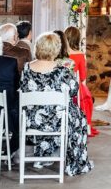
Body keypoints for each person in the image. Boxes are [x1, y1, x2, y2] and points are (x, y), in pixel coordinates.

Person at [20, 32, 94, 176]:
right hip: (58, 121)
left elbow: (23, 88)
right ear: (56, 49)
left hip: (33, 121)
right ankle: (74, 162)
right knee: (79, 117)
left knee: (47, 110)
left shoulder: (27, 68)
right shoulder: (63, 71)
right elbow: (73, 91)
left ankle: (43, 155)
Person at [64, 25, 98, 137]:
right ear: (77, 39)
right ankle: (84, 125)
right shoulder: (79, 55)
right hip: (75, 90)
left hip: (62, 88)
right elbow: (82, 77)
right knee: (87, 98)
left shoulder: (60, 55)